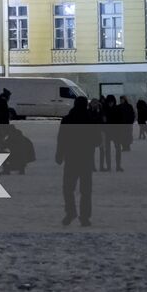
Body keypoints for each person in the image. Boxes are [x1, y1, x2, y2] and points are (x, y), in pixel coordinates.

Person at [55, 96, 98, 226]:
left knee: (68, 188)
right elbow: (97, 140)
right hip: (86, 158)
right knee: (86, 190)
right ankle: (84, 216)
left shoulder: (67, 120)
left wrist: (59, 154)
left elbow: (61, 139)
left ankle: (70, 211)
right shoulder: (91, 119)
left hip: (71, 158)